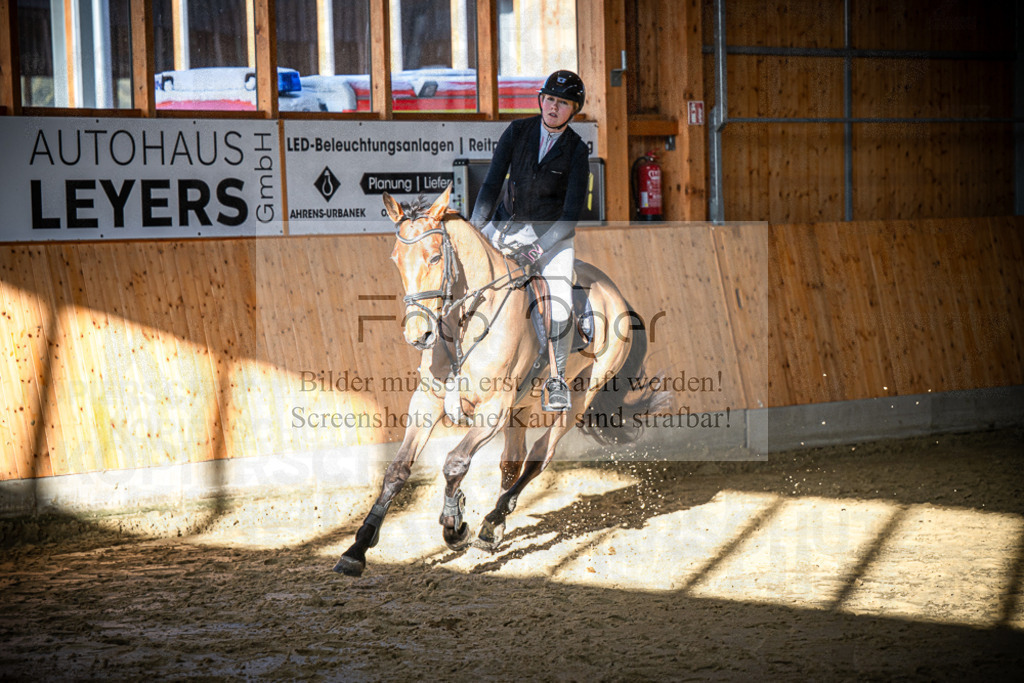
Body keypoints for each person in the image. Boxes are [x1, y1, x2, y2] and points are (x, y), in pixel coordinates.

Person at [469, 70, 589, 412]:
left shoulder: (577, 151)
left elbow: (570, 217)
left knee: (560, 297)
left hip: (552, 237)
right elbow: (491, 185)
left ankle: (557, 379)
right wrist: (476, 229)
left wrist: (537, 249)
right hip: (506, 225)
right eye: (549, 99)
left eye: (562, 102)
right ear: (540, 100)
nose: (553, 106)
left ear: (573, 109)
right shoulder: (517, 131)